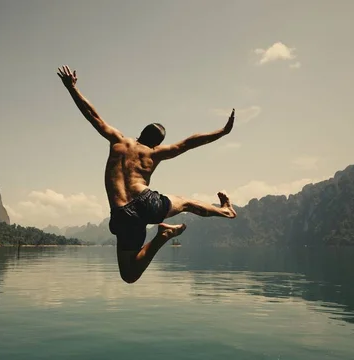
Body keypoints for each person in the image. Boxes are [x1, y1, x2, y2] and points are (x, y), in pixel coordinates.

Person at [57, 65, 237, 283]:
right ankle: (224, 211)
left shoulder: (118, 140)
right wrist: (222, 131)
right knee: (187, 203)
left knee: (129, 275)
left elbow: (92, 116)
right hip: (146, 202)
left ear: (140, 132)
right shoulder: (154, 153)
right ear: (157, 143)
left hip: (121, 213)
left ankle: (162, 237)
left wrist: (72, 88)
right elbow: (189, 143)